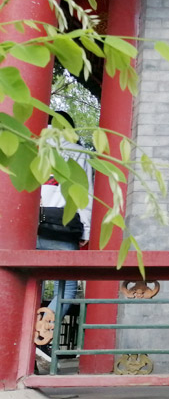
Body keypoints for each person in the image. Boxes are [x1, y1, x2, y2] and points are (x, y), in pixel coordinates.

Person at [36, 111, 93, 368]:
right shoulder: (79, 152)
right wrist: (86, 230)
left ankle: (34, 331)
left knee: (26, 284)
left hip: (29, 227)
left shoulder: (32, 149)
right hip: (61, 226)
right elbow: (85, 195)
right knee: (67, 287)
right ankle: (41, 335)